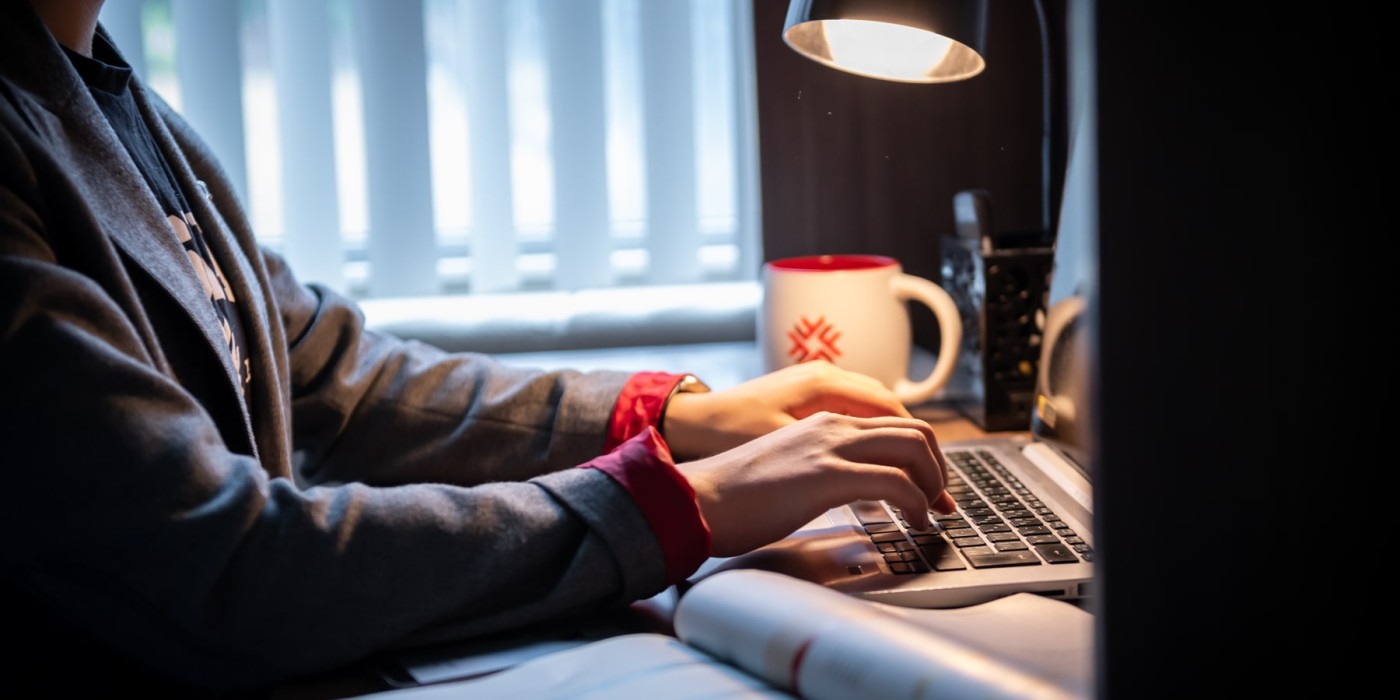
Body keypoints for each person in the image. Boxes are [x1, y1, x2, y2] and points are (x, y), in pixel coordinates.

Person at [0, 0, 957, 695]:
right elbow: (223, 561)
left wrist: (674, 417)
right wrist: (677, 503)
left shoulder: (119, 105)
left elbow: (344, 385)